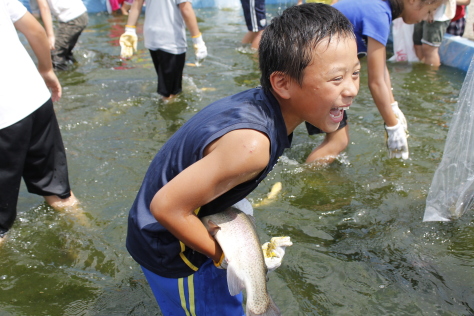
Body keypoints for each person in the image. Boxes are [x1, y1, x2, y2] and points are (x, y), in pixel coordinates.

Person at [126, 3, 359, 315]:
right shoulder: (251, 146)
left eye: (356, 73)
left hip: (189, 224)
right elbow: (165, 208)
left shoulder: (271, 103)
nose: (352, 90)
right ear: (283, 83)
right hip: (171, 251)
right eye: (337, 78)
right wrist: (230, 260)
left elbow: (336, 132)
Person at [305, 0, 444, 164]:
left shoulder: (378, 6)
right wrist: (393, 128)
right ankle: (303, 181)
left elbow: (381, 67)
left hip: (305, 65)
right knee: (338, 141)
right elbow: (376, 82)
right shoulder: (380, 15)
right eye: (429, 11)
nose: (430, 18)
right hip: (311, 72)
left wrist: (393, 107)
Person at [0, 0, 78, 245]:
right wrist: (46, 70)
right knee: (60, 194)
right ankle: (86, 252)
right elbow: (35, 30)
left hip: (3, 119)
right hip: (34, 98)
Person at [119, 0, 207, 101]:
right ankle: (164, 113)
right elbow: (186, 9)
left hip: (151, 36)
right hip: (170, 39)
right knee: (170, 93)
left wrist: (129, 30)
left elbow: (136, 5)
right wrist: (198, 40)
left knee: (166, 80)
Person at [35, 0, 88, 71]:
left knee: (55, 52)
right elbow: (37, 15)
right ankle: (76, 67)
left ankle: (62, 79)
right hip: (80, 15)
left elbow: (44, 9)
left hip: (72, 18)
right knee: (65, 52)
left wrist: (50, 36)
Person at [413, 0, 456, 67]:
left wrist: (432, 9)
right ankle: (423, 71)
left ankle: (431, 76)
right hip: (422, 10)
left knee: (429, 48)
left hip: (438, 16)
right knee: (417, 45)